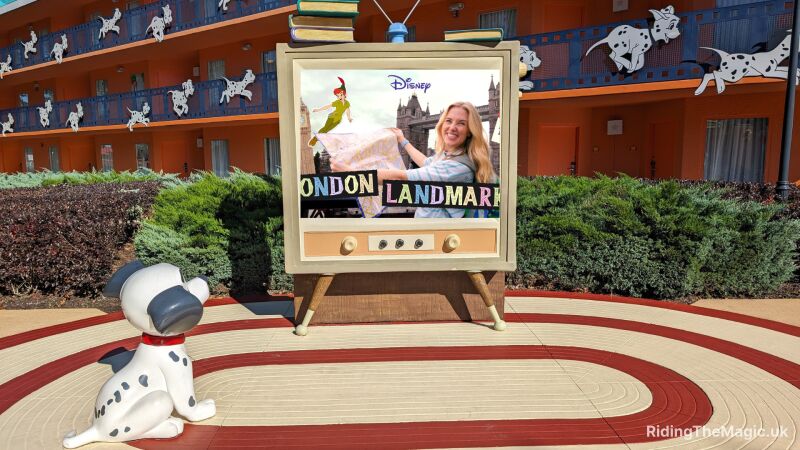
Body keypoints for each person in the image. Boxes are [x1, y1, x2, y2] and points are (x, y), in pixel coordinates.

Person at [309, 77, 353, 146]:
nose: (338, 97)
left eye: (339, 95)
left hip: (338, 120)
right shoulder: (337, 102)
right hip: (331, 117)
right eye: (337, 96)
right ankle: (314, 139)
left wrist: (349, 118)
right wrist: (318, 110)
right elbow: (328, 106)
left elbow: (348, 110)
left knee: (327, 130)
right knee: (325, 128)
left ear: (343, 94)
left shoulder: (347, 103)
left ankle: (316, 139)